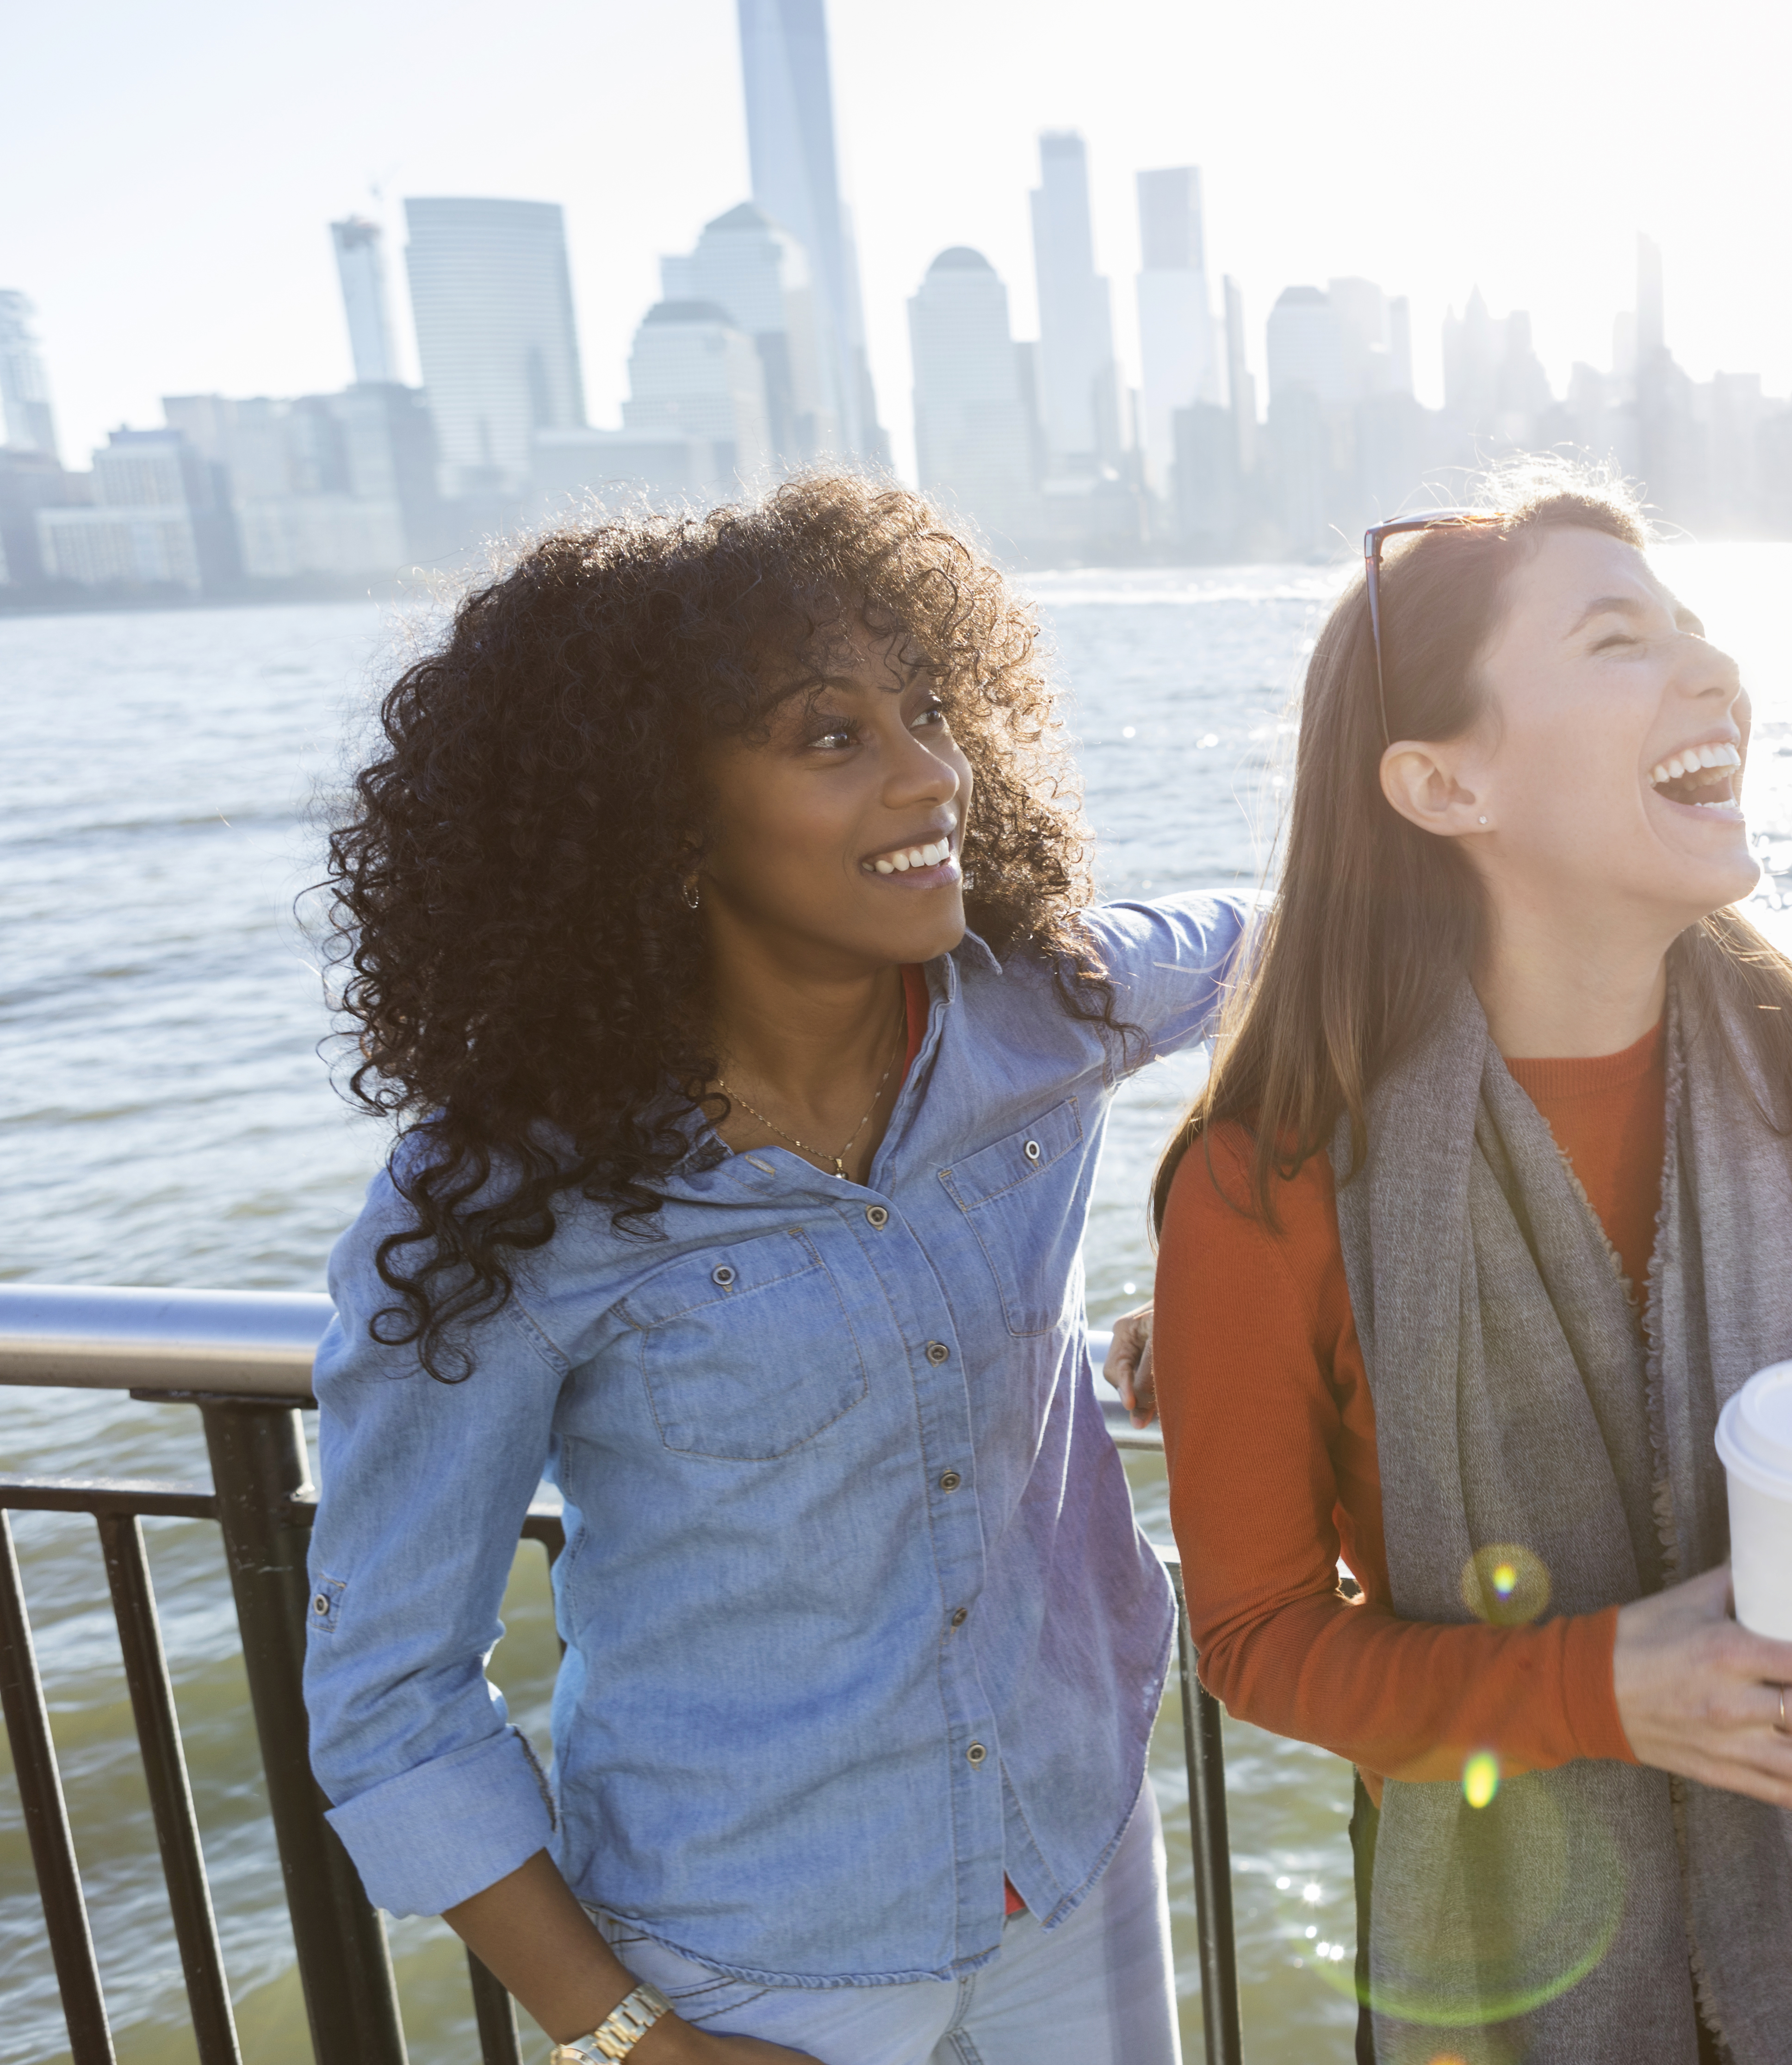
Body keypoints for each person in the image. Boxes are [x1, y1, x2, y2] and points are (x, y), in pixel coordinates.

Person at [303, 478, 1253, 2065]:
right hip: (751, 1972)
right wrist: (634, 2043)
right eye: (833, 736)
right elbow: (389, 1701)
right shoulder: (511, 1199)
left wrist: (1249, 1279)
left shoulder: (1046, 1015)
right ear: (660, 819)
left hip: (1073, 1872)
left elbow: (1311, 955)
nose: (931, 772)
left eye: (931, 710)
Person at [1140, 472, 1792, 2064]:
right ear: (1440, 783)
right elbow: (1258, 1638)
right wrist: (1604, 1690)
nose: (1712, 670)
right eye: (1621, 639)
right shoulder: (1262, 1189)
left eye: (1694, 626)